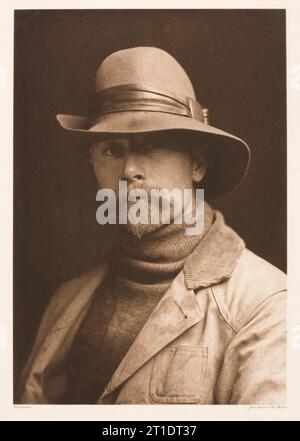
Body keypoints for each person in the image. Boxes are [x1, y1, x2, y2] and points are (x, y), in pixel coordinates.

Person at [19, 47, 286, 405]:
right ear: (92, 166)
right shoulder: (67, 299)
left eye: (153, 145)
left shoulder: (267, 304)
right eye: (112, 150)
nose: (130, 171)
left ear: (198, 164)